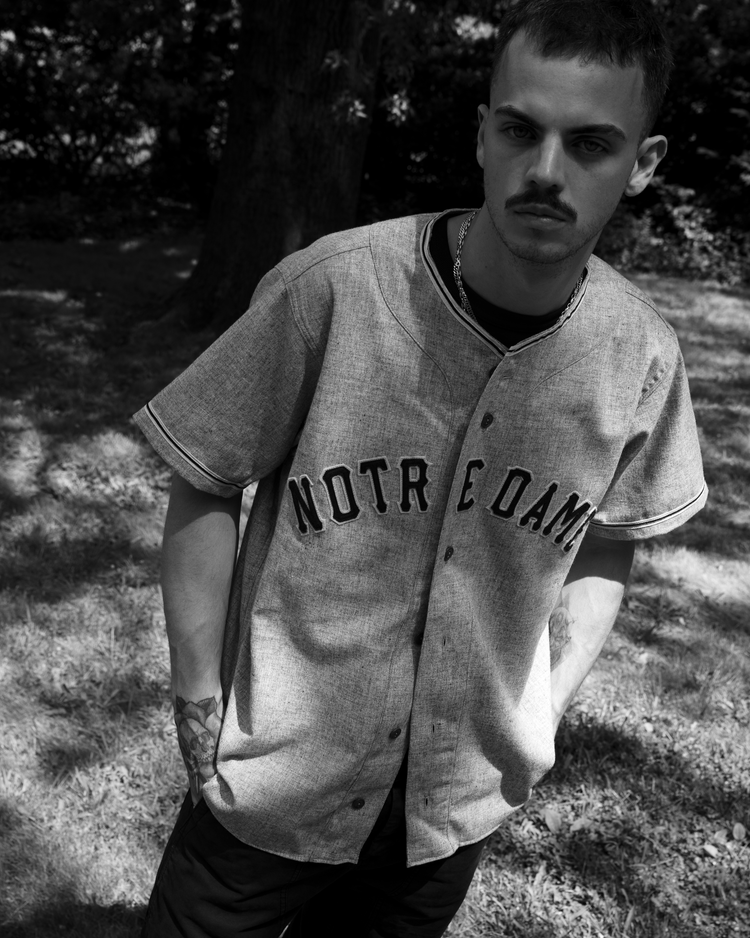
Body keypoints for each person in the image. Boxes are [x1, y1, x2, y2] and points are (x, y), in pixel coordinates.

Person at [134, 1, 707, 935]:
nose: (547, 173)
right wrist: (200, 702)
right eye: (521, 130)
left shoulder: (641, 356)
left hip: (448, 811)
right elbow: (205, 473)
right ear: (482, 134)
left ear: (644, 165)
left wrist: (541, 713)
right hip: (272, 777)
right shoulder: (334, 289)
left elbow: (610, 542)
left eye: (593, 144)